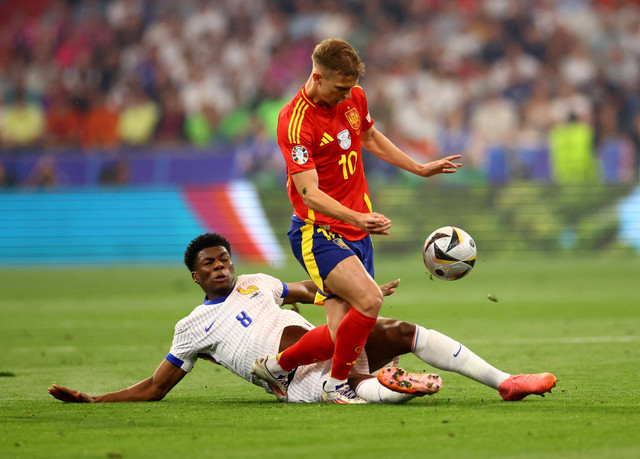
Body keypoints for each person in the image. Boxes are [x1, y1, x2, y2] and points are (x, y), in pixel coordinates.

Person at [48, 233, 557, 405]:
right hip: (298, 381)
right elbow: (155, 388)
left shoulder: (257, 281)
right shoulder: (191, 328)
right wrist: (95, 399)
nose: (222, 266)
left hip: (321, 350)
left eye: (225, 258)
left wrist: (360, 289)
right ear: (195, 278)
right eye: (210, 264)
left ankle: (505, 381)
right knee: (348, 374)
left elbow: (311, 287)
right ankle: (386, 385)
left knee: (399, 331)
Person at [261, 37, 463, 403]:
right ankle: (334, 386)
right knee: (370, 302)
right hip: (317, 230)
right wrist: (359, 216)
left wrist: (418, 167)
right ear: (317, 76)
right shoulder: (294, 121)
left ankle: (274, 368)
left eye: (350, 87)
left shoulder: (354, 96)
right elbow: (309, 192)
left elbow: (368, 136)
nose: (345, 95)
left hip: (357, 231)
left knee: (344, 335)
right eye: (339, 87)